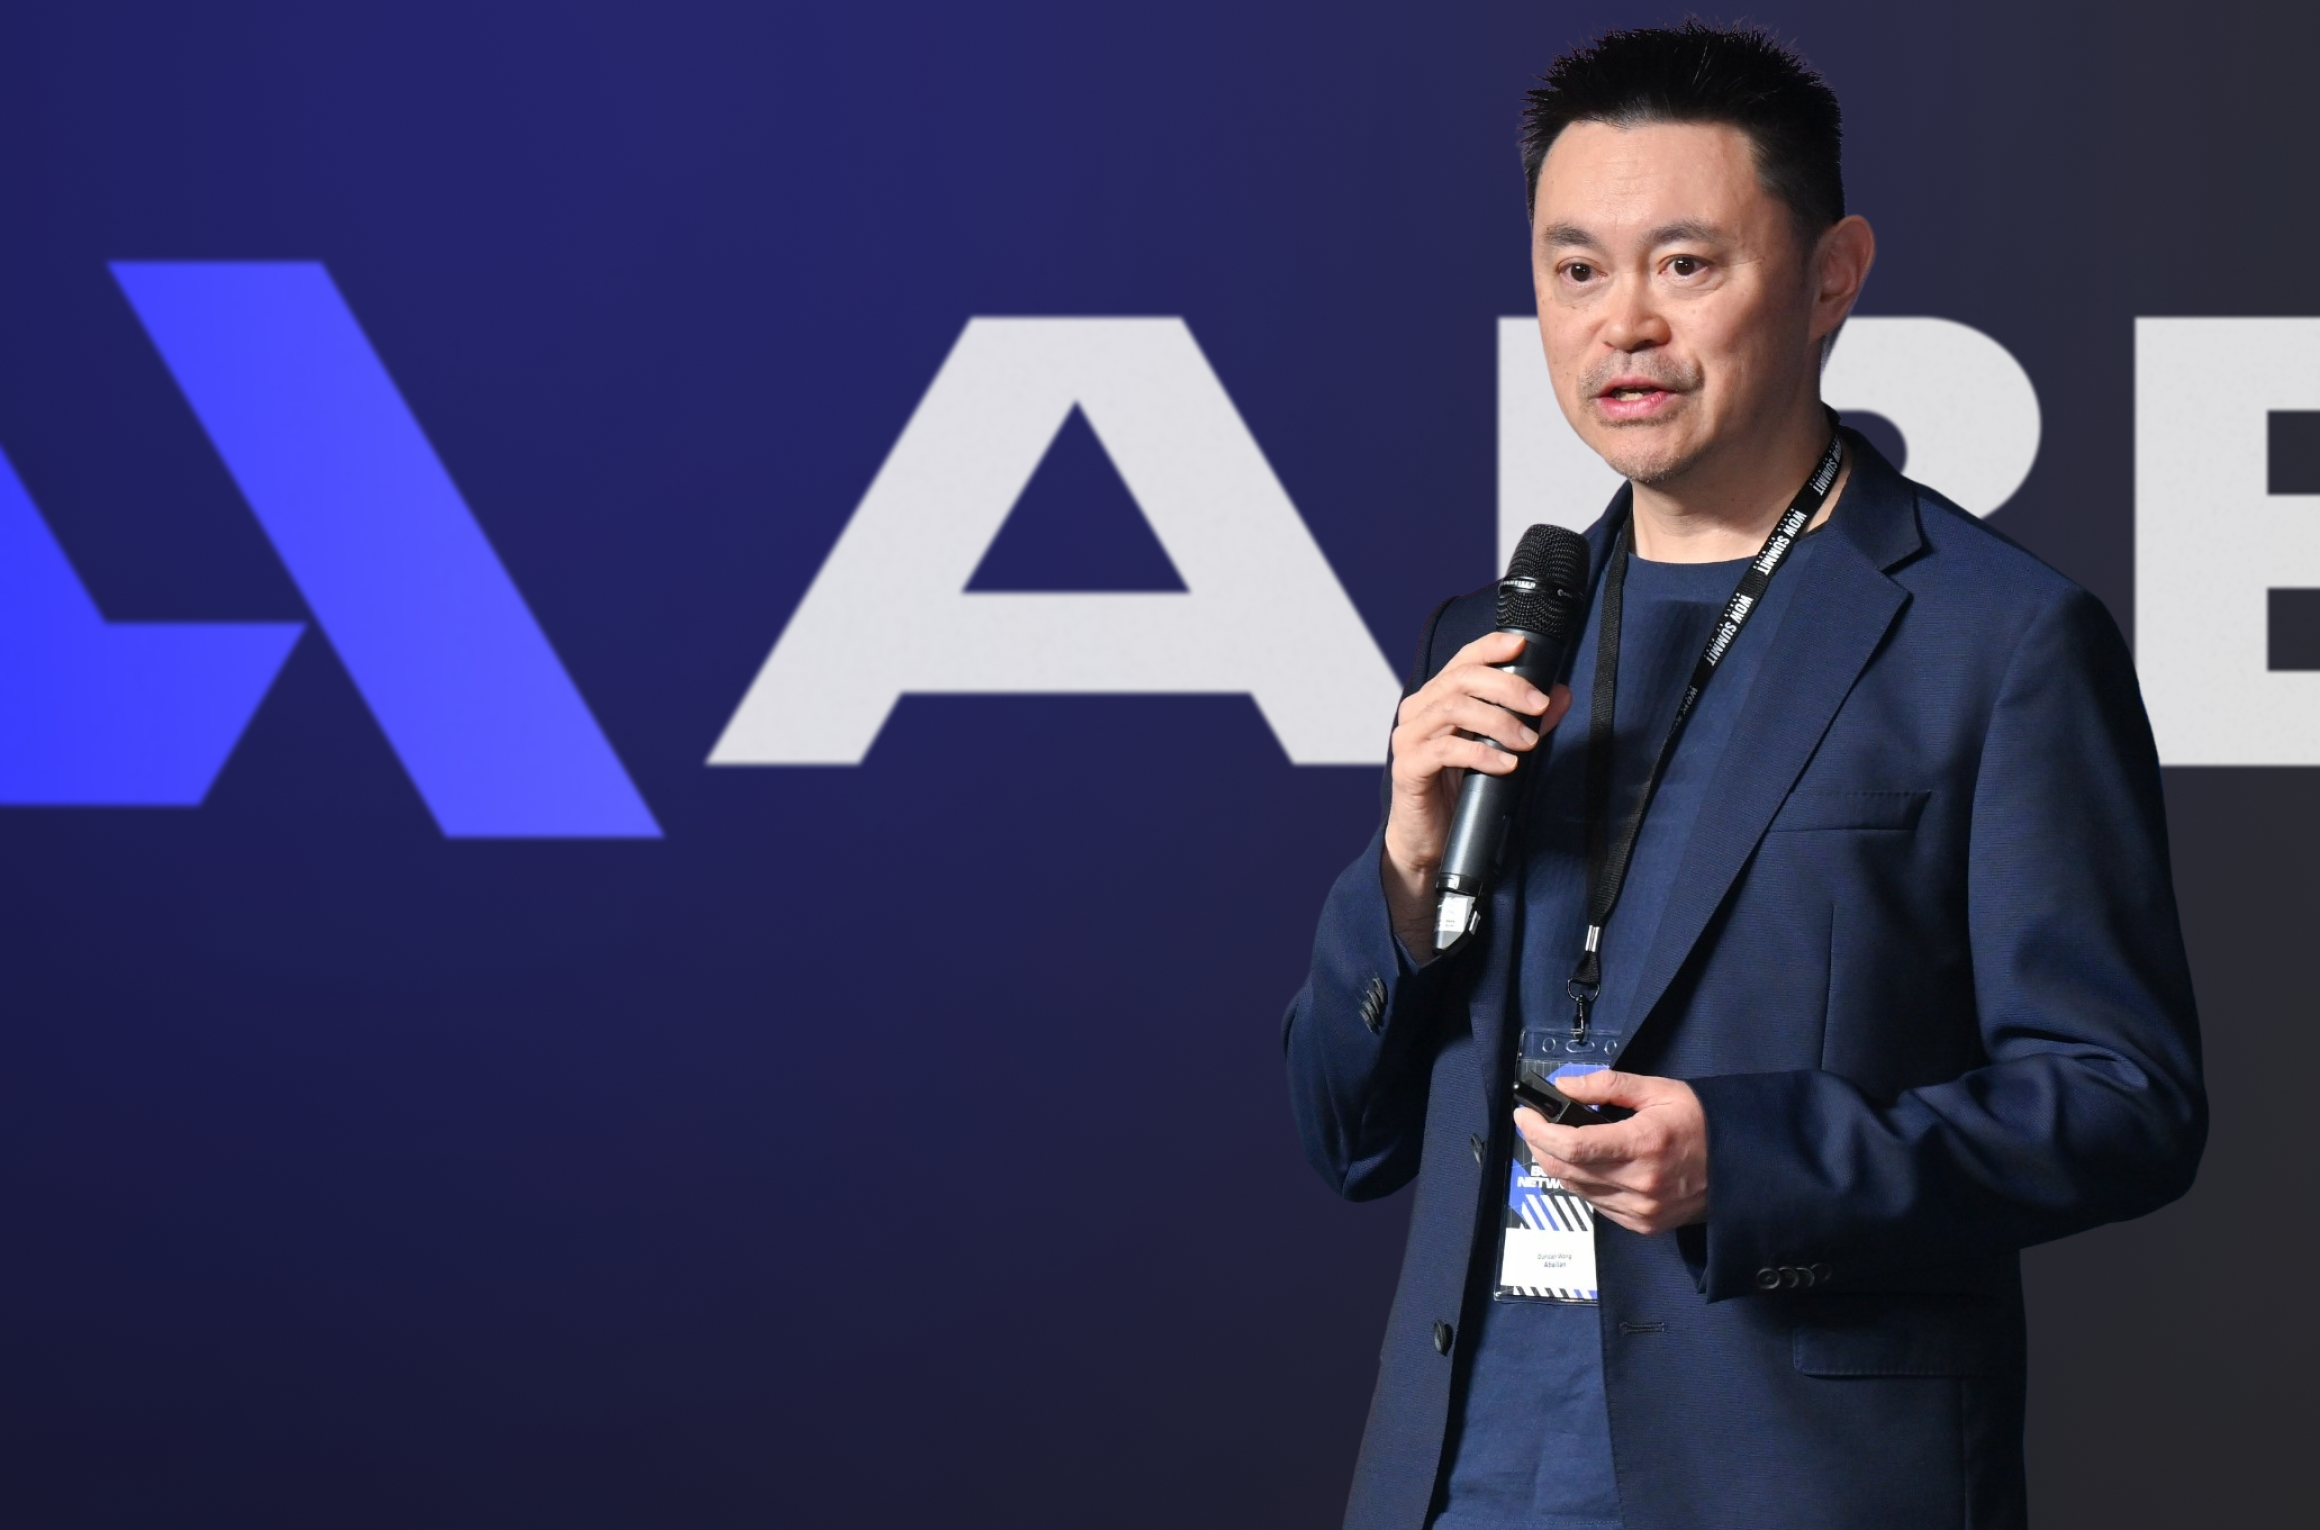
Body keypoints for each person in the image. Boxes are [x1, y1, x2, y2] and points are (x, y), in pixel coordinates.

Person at [1281, 22, 2204, 1530]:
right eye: (1576, 269)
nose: (1622, 325)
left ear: (1834, 273)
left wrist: (1754, 1159)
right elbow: (1346, 1134)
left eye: (1686, 264)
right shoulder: (1499, 635)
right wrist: (1399, 870)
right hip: (1460, 1484)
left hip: (1798, 1484)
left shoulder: (2000, 639)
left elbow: (2125, 1101)